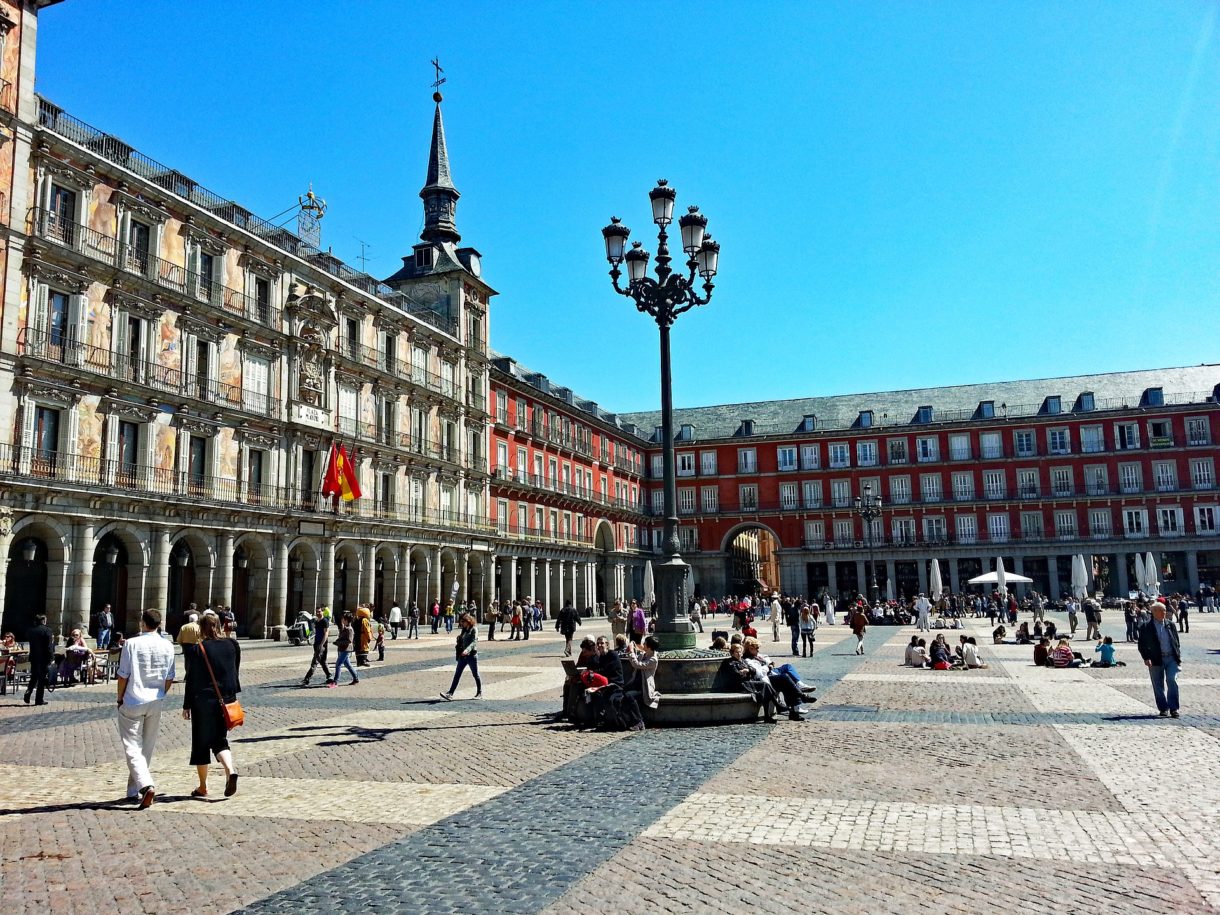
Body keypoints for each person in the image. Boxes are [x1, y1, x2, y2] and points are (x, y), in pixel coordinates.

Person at [116, 609, 177, 808]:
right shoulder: (167, 645)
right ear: (159, 624)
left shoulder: (131, 644)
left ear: (143, 623)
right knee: (147, 746)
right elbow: (170, 678)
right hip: (155, 699)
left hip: (133, 699)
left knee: (132, 746)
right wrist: (161, 694)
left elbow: (123, 675)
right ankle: (133, 790)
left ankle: (145, 785)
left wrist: (120, 697)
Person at [181, 612, 240, 799]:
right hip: (227, 699)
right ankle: (230, 770)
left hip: (203, 702)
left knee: (200, 743)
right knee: (219, 740)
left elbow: (191, 680)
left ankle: (203, 787)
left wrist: (186, 705)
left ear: (201, 628)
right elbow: (234, 671)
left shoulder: (197, 650)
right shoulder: (232, 645)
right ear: (220, 626)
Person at [1137, 601, 1182, 718]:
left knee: (1172, 680)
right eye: (1162, 611)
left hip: (1171, 657)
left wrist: (1178, 655)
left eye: (1165, 610)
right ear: (1154, 612)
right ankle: (1163, 708)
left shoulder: (1170, 624)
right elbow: (1141, 644)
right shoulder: (1146, 626)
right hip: (1155, 659)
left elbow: (1176, 641)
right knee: (1158, 685)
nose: (1165, 612)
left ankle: (1174, 708)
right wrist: (1146, 658)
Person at [621, 636, 661, 731]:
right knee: (621, 693)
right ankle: (626, 720)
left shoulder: (653, 659)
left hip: (644, 688)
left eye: (645, 644)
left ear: (649, 647)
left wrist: (631, 652)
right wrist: (633, 647)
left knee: (629, 696)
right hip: (636, 683)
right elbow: (637, 657)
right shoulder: (645, 654)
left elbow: (637, 664)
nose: (643, 645)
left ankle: (639, 722)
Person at [440, 612, 482, 700]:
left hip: (471, 656)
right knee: (457, 674)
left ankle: (479, 692)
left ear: (468, 621)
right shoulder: (464, 630)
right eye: (461, 622)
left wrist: (467, 650)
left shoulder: (474, 629)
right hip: (462, 656)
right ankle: (450, 693)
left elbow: (474, 642)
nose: (462, 624)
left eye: (463, 622)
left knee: (475, 674)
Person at [23, 613, 54, 706]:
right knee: (42, 679)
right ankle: (39, 699)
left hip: (34, 656)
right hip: (44, 657)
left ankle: (28, 691)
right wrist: (51, 657)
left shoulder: (31, 631)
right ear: (44, 620)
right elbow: (49, 646)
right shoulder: (47, 630)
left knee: (34, 676)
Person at [302, 606, 333, 687]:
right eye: (317, 612)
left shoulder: (325, 621)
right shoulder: (316, 621)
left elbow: (326, 633)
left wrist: (322, 644)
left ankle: (307, 679)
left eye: (319, 611)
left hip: (321, 644)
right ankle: (329, 676)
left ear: (323, 612)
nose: (318, 613)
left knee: (315, 661)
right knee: (322, 661)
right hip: (316, 643)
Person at [333, 612, 359, 686]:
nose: (342, 620)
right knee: (348, 664)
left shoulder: (349, 629)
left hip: (346, 649)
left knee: (338, 664)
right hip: (342, 648)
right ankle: (356, 678)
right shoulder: (345, 628)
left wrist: (339, 642)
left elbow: (349, 640)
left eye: (343, 619)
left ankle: (335, 681)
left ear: (346, 620)